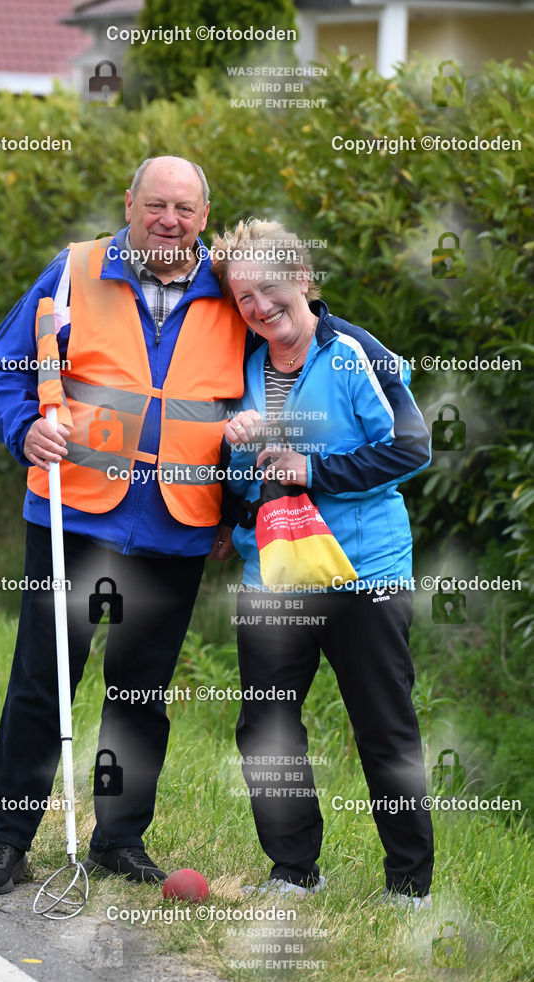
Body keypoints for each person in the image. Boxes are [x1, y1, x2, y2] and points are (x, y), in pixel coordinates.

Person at [0, 156, 248, 894]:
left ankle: (119, 840)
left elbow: (263, 396)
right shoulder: (74, 269)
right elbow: (1, 363)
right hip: (73, 509)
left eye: (184, 210)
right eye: (156, 205)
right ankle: (6, 839)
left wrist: (237, 510)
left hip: (176, 524)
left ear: (203, 217)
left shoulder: (233, 291)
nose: (169, 221)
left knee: (140, 693)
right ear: (129, 203)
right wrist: (24, 427)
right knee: (42, 680)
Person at [212, 218, 434, 908]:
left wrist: (314, 467)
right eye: (243, 298)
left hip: (359, 572)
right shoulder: (242, 366)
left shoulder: (352, 353)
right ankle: (294, 871)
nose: (258, 308)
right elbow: (245, 476)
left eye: (269, 289)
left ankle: (407, 884)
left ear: (303, 280)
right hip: (272, 575)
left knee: (383, 725)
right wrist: (234, 455)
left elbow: (410, 447)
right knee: (266, 725)